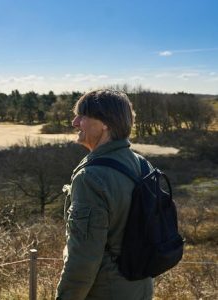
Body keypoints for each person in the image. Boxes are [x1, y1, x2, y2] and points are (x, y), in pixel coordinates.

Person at [56, 90, 153, 299]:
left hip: (106, 291)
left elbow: (83, 259)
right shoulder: (142, 164)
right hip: (141, 287)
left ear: (105, 123)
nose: (74, 122)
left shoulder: (90, 178)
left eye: (82, 116)